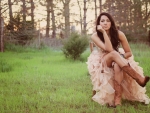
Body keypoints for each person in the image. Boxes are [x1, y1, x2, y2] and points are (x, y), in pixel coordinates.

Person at [86, 12, 150, 108]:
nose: (105, 23)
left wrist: (120, 58)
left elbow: (128, 52)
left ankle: (117, 98)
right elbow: (109, 50)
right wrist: (103, 33)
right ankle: (139, 79)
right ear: (98, 24)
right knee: (114, 53)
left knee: (117, 65)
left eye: (108, 21)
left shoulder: (119, 34)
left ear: (111, 23)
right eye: (102, 21)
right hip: (103, 59)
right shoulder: (95, 36)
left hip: (118, 58)